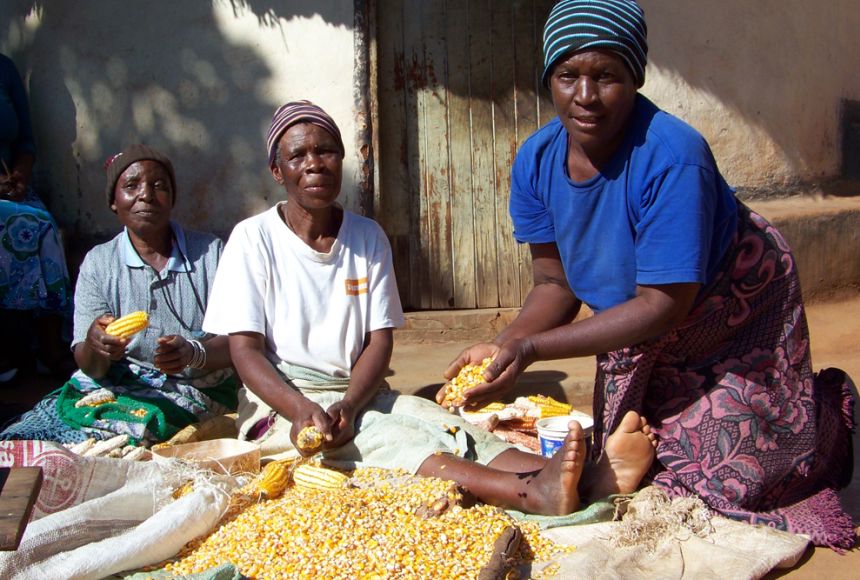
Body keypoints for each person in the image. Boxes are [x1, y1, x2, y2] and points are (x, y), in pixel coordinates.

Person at [441, 0, 856, 548]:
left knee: (736, 479)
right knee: (633, 452)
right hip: (634, 318)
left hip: (729, 309)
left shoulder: (673, 155)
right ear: (549, 78)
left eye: (606, 76)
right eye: (568, 76)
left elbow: (665, 304)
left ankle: (825, 420)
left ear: (634, 78)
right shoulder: (536, 161)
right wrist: (506, 345)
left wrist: (535, 351)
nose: (585, 97)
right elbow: (554, 284)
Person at [202, 100, 657, 516]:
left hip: (358, 391)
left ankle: (570, 477)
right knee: (390, 441)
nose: (314, 164)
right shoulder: (253, 238)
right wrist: (302, 409)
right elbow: (245, 351)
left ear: (342, 159)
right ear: (277, 172)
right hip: (283, 400)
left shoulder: (366, 235)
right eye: (297, 156)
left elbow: (379, 341)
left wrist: (352, 401)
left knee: (441, 424)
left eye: (325, 151)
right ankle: (528, 493)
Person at [0, 144, 238, 445]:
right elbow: (90, 365)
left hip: (199, 385)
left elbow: (239, 343)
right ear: (114, 201)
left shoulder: (210, 254)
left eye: (159, 186)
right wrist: (98, 345)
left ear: (172, 198)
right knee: (49, 423)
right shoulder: (99, 263)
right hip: (125, 382)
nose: (146, 195)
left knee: (143, 429)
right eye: (131, 186)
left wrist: (194, 353)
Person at [0, 53, 72, 382]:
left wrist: (19, 175)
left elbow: (26, 140)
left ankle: (48, 345)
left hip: (9, 187)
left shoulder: (4, 68)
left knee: (40, 225)